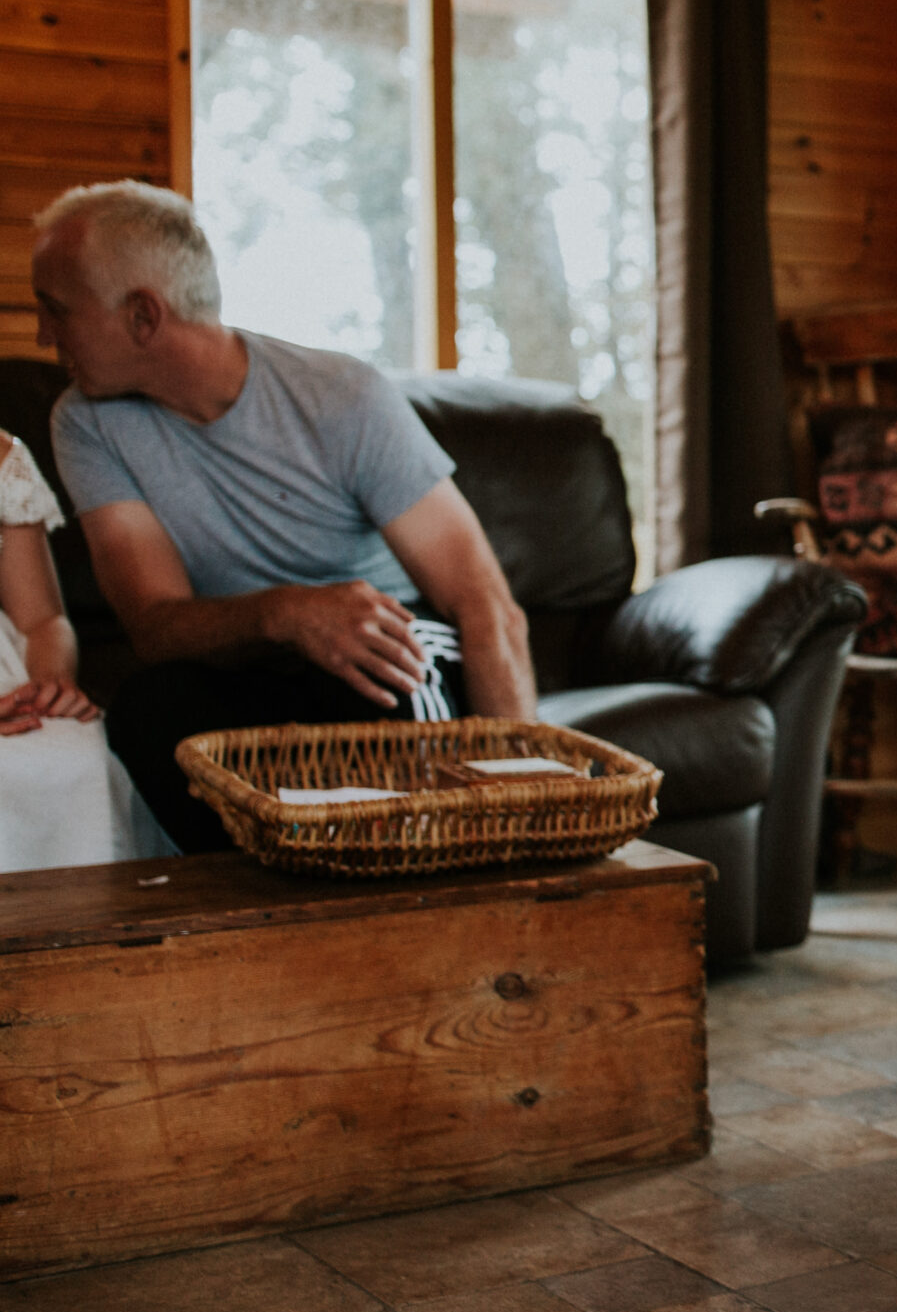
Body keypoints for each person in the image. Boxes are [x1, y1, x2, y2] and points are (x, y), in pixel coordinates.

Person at [28, 182, 535, 853]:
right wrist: (286, 613)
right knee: (149, 708)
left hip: (386, 642)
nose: (42, 334)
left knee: (396, 675)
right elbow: (153, 623)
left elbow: (485, 604)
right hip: (251, 655)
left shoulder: (344, 398)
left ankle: (448, 879)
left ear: (143, 316)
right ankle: (276, 912)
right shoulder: (87, 422)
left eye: (56, 310)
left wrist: (528, 798)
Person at [0, 425, 171, 871]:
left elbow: (41, 618)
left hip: (7, 679)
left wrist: (49, 682)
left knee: (74, 758)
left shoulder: (3, 455)